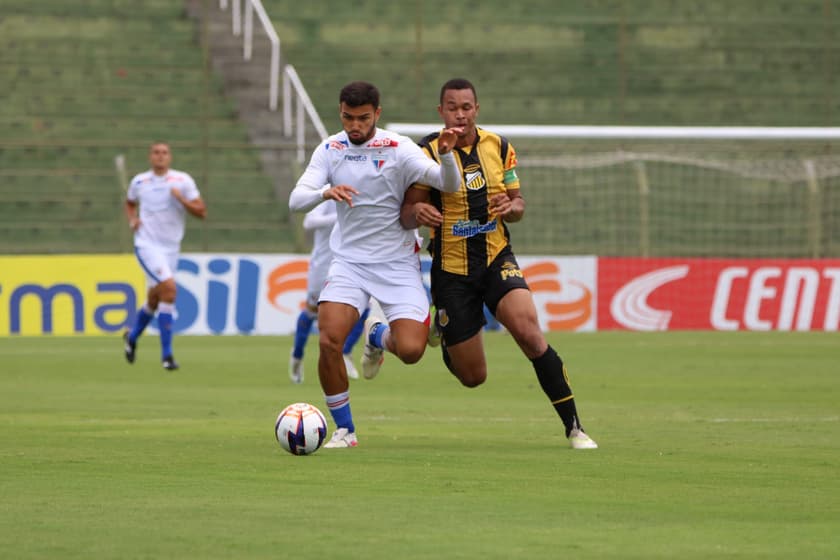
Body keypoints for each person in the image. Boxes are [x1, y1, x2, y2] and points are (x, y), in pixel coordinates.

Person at [400, 78, 598, 450]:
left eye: (466, 107)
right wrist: (418, 211)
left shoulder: (500, 147)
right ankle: (445, 334)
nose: (459, 114)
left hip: (496, 259)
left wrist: (513, 207)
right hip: (453, 272)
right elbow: (407, 212)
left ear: (477, 109)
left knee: (529, 332)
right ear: (440, 111)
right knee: (473, 377)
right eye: (452, 107)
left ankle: (575, 427)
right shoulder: (425, 151)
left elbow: (518, 202)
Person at [288, 81, 462, 448]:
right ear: (340, 112)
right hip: (349, 263)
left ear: (377, 115)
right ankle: (345, 430)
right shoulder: (330, 149)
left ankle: (376, 335)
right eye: (349, 117)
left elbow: (449, 184)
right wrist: (324, 192)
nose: (355, 126)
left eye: (363, 118)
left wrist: (446, 155)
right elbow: (296, 199)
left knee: (413, 351)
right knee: (329, 339)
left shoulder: (398, 147)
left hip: (397, 263)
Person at [122, 141, 207, 370]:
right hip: (146, 245)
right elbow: (130, 203)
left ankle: (131, 338)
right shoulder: (139, 181)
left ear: (170, 157)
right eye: (156, 152)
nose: (160, 156)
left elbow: (201, 212)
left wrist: (181, 200)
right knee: (169, 289)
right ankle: (167, 356)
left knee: (156, 298)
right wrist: (132, 220)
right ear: (150, 157)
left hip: (171, 249)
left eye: (164, 153)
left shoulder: (182, 181)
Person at [289, 200, 369, 383]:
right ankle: (297, 355)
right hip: (323, 266)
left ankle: (346, 352)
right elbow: (309, 222)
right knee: (312, 311)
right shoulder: (328, 191)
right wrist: (342, 216)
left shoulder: (362, 190)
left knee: (365, 309)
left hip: (349, 266)